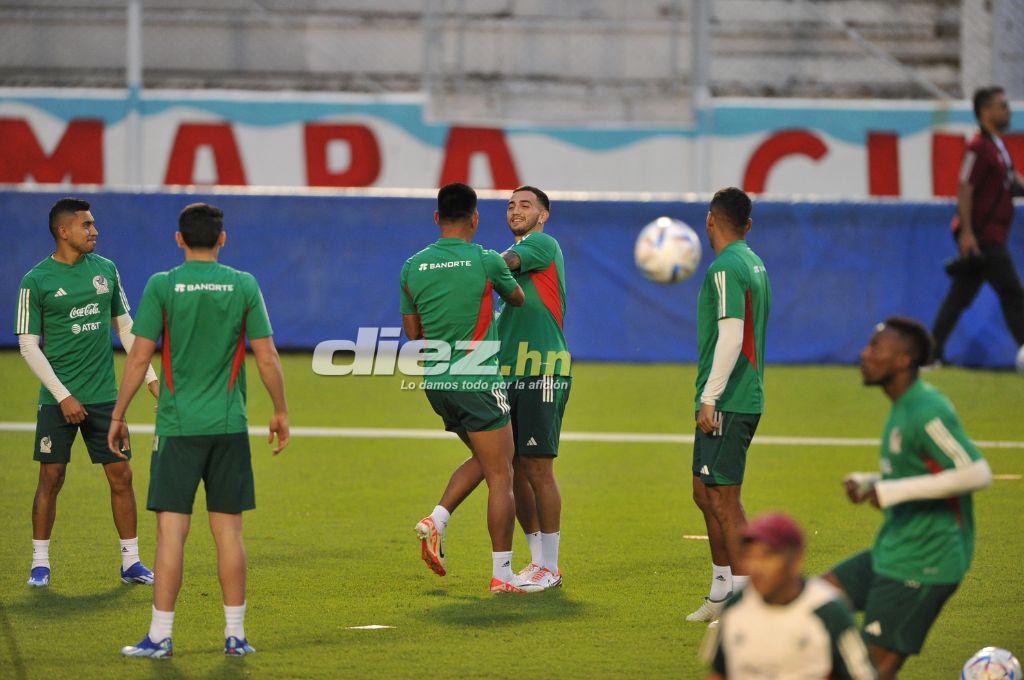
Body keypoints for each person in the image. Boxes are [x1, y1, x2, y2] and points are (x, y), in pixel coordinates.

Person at [110, 203, 290, 658]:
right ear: (222, 238)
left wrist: (117, 415)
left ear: (179, 239)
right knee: (229, 534)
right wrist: (280, 410)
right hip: (228, 427)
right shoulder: (244, 284)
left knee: (171, 533)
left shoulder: (163, 285)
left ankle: (160, 636)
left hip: (177, 428)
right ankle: (235, 636)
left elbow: (138, 357)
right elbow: (267, 356)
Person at [415, 186, 571, 593]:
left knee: (537, 467)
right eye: (510, 205)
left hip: (543, 368)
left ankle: (550, 566)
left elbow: (505, 263)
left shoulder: (541, 245)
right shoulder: (493, 268)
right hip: (506, 372)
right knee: (504, 462)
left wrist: (460, 268)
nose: (516, 210)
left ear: (543, 215)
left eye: (526, 205)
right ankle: (533, 560)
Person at [825, 317, 992, 679]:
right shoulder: (901, 406)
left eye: (875, 347)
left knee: (870, 671)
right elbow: (920, 474)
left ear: (903, 360)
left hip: (927, 560)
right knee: (818, 601)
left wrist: (892, 491)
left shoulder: (926, 408)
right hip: (896, 547)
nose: (864, 354)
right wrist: (872, 482)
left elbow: (976, 473)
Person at [14, 197, 157, 588]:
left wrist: (150, 378)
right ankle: (39, 563)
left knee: (121, 475)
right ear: (64, 231)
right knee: (52, 477)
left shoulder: (105, 270)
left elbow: (126, 328)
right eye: (86, 225)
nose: (94, 231)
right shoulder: (35, 281)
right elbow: (28, 345)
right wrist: (63, 396)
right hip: (57, 400)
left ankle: (131, 561)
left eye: (93, 224)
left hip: (105, 397)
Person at [404, 183, 527, 593]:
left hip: (437, 382)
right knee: (502, 473)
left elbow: (413, 333)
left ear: (437, 218)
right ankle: (502, 575)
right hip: (477, 379)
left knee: (487, 458)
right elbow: (517, 297)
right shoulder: (485, 259)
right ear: (475, 218)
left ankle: (437, 520)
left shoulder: (412, 266)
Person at [687, 187, 771, 623]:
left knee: (723, 499)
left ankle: (745, 602)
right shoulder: (753, 262)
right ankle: (722, 591)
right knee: (704, 493)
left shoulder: (725, 267)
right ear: (748, 225)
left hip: (729, 399)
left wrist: (710, 396)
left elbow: (732, 336)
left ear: (709, 220)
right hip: (738, 396)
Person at [702, 512, 876, 680]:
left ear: (795, 560)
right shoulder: (734, 607)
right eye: (750, 556)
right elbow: (719, 674)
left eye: (767, 556)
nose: (756, 567)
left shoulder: (827, 611)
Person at [932, 85, 1024, 366]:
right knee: (1012, 294)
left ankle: (930, 353)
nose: (1007, 111)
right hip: (984, 236)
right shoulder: (978, 147)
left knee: (960, 296)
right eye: (1002, 105)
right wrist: (968, 233)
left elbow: (1011, 182)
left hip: (991, 234)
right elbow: (965, 187)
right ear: (985, 111)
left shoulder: (997, 147)